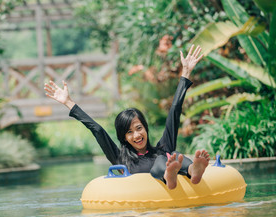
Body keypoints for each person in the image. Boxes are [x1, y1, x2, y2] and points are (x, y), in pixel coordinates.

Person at [44, 45, 210, 190]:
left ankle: (191, 171)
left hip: (167, 164)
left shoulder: (162, 149)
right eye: (129, 132)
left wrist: (186, 73)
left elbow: (174, 111)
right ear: (123, 137)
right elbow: (97, 129)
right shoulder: (120, 159)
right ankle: (169, 175)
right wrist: (69, 102)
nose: (136, 135)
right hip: (142, 200)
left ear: (145, 128)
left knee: (171, 154)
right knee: (164, 160)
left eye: (139, 128)